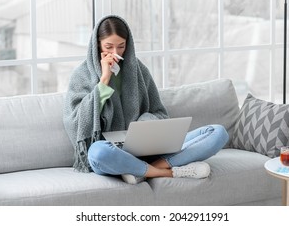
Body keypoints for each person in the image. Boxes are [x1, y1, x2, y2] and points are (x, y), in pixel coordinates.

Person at [63, 15, 229, 184]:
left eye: (121, 46)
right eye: (108, 47)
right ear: (97, 44)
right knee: (98, 153)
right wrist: (104, 79)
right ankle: (167, 172)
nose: (115, 53)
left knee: (217, 133)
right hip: (112, 151)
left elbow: (159, 112)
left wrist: (144, 123)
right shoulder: (81, 75)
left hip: (148, 149)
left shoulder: (139, 70)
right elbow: (76, 122)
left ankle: (141, 170)